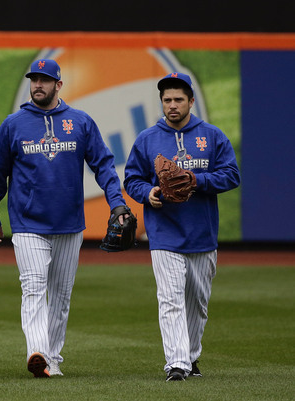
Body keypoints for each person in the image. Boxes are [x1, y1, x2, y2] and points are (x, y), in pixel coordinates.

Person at [0, 59, 130, 378]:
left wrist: (117, 204)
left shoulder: (80, 122)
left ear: (58, 85)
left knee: (60, 295)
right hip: (27, 223)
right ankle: (38, 353)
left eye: (45, 80)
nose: (38, 85)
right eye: (34, 79)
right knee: (34, 287)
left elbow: (103, 165)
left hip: (69, 223)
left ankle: (52, 356)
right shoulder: (13, 124)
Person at [123, 72, 240, 381]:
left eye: (177, 99)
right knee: (170, 299)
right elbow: (132, 178)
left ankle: (190, 357)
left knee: (197, 305)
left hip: (202, 233)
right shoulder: (148, 138)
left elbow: (231, 175)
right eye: (166, 100)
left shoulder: (212, 136)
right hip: (164, 233)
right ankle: (177, 364)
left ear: (190, 101)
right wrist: (146, 193)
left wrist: (196, 180)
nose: (172, 105)